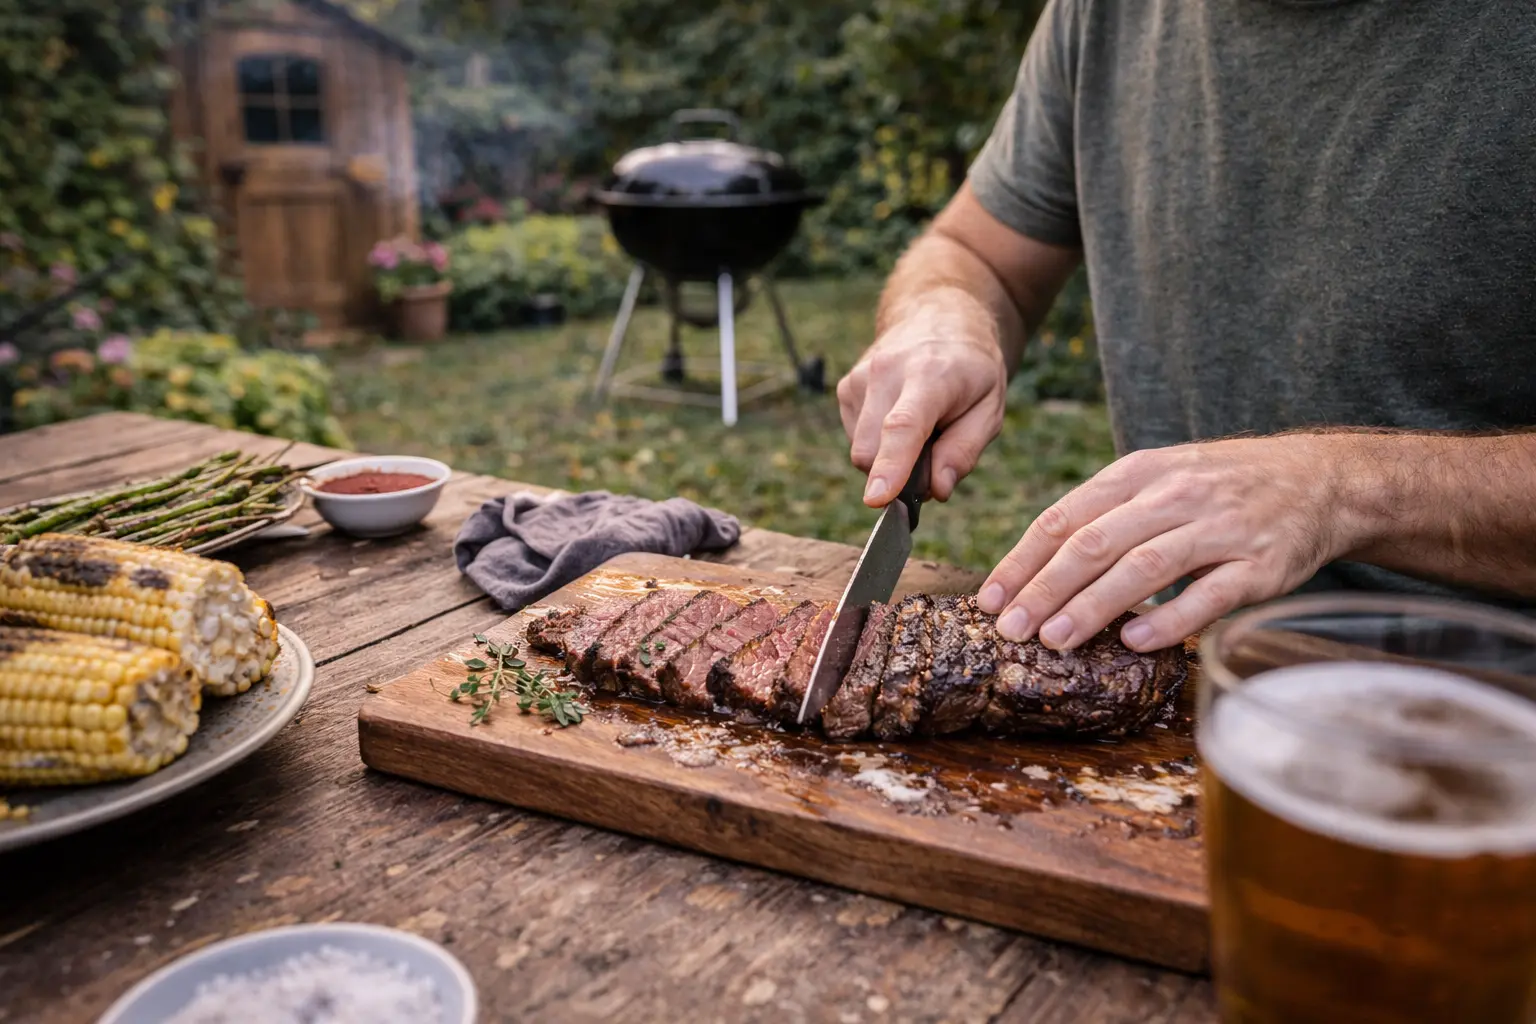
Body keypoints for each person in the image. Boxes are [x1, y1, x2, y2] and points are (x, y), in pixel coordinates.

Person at [838, 0, 1536, 654]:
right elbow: (977, 251)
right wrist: (941, 308)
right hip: (1181, 661)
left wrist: (1343, 490)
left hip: (1486, 702)